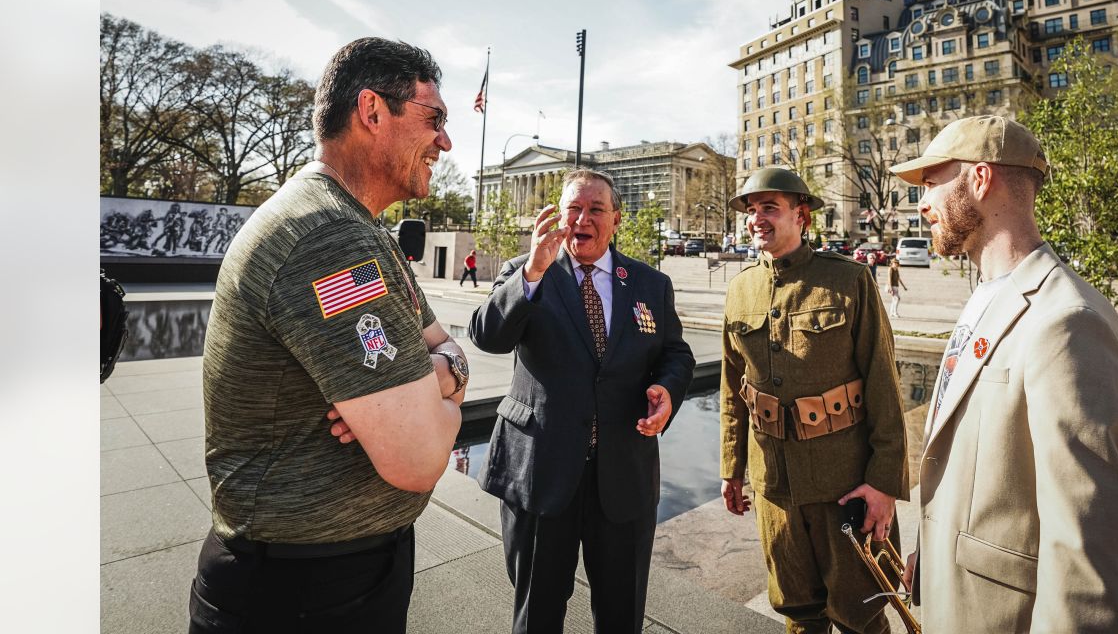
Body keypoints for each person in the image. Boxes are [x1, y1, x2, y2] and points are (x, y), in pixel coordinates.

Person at [190, 37, 469, 634]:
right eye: (434, 118)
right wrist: (433, 386)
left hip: (318, 574)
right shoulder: (328, 236)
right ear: (371, 112)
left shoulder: (356, 228)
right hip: (303, 591)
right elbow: (420, 457)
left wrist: (439, 373)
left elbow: (442, 341)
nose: (446, 141)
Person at [889, 115, 1118, 632]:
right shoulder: (989, 293)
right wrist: (932, 548)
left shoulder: (1069, 322)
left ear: (980, 180)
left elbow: (1088, 558)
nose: (922, 203)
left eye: (932, 183)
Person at [469, 168, 695, 634]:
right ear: (557, 215)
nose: (582, 218)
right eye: (574, 208)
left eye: (595, 209)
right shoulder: (527, 271)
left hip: (623, 476)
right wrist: (532, 271)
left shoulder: (650, 284)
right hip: (542, 472)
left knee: (621, 613)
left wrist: (667, 391)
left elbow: (676, 351)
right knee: (537, 612)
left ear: (615, 218)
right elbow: (487, 336)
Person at [720, 167, 909, 634]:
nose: (756, 218)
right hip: (775, 486)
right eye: (751, 209)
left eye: (770, 208)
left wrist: (884, 484)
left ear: (801, 216)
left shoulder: (849, 281)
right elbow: (732, 388)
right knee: (797, 611)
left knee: (861, 613)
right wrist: (732, 468)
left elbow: (884, 384)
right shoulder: (740, 288)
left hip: (842, 484)